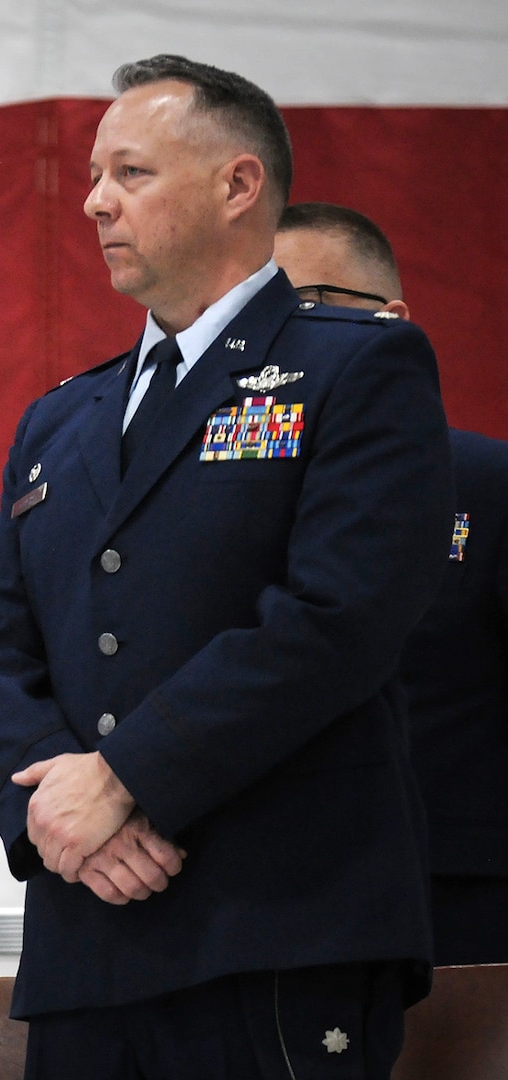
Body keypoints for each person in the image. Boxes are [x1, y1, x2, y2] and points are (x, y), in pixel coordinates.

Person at [0, 56, 453, 1078]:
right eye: (94, 175)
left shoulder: (354, 366)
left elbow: (337, 616)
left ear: (237, 185)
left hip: (274, 927)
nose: (93, 201)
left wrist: (129, 775)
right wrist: (59, 818)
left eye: (129, 172)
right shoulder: (60, 417)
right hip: (89, 936)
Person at [276, 201, 508, 966]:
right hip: (263, 901)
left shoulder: (485, 482)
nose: (285, 332)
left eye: (309, 303)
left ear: (393, 322)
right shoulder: (202, 501)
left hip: (457, 897)